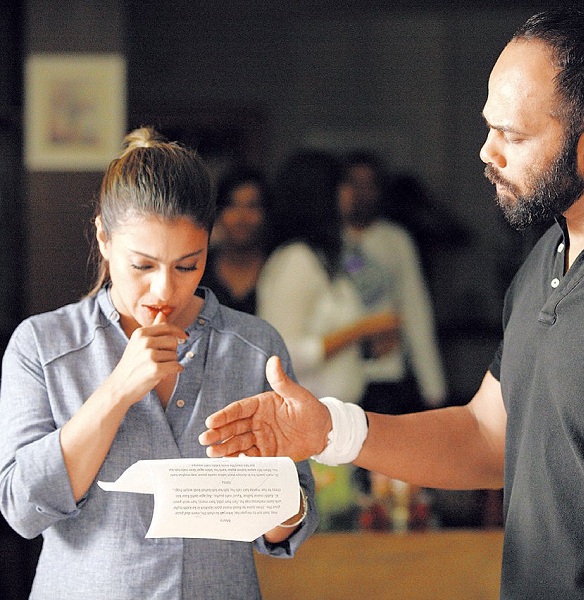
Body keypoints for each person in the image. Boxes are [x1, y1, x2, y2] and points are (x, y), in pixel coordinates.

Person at [199, 7, 584, 598]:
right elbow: (488, 437)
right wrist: (330, 429)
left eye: (512, 136)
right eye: (489, 127)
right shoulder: (549, 256)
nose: (486, 153)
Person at [0, 127, 318, 600]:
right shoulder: (43, 346)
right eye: (143, 266)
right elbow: (23, 510)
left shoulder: (255, 346)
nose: (165, 291)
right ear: (104, 239)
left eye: (187, 266)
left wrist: (277, 490)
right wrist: (117, 391)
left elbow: (287, 531)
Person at [256, 148, 401, 407]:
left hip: (341, 414)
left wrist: (370, 346)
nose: (350, 194)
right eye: (343, 184)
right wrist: (360, 330)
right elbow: (282, 354)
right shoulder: (296, 259)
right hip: (308, 417)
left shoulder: (326, 258)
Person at [340, 151, 447, 414]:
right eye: (354, 183)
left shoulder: (396, 240)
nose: (361, 193)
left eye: (369, 184)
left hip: (386, 375)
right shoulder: (325, 242)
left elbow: (415, 310)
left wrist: (434, 389)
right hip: (336, 375)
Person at [200, 166, 270, 315]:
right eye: (232, 205)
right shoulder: (199, 269)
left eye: (252, 206)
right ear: (218, 213)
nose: (241, 217)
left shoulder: (278, 268)